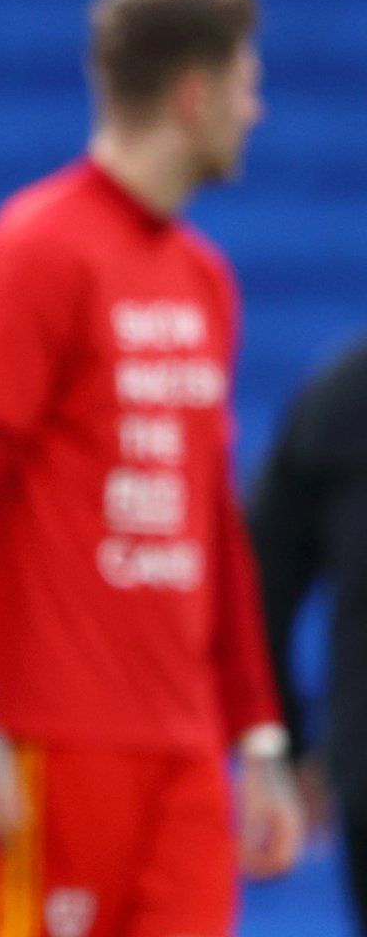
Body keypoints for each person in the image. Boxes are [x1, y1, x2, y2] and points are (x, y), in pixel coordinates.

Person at [0, 0, 305, 937]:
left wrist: (256, 737)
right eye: (247, 84)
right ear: (193, 92)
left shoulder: (204, 281)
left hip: (177, 750)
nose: (255, 111)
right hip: (50, 746)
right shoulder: (38, 251)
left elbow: (213, 521)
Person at [250, 334, 367, 929]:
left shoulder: (341, 395)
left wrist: (286, 746)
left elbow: (260, 583)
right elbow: (259, 584)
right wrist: (283, 745)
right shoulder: (342, 400)